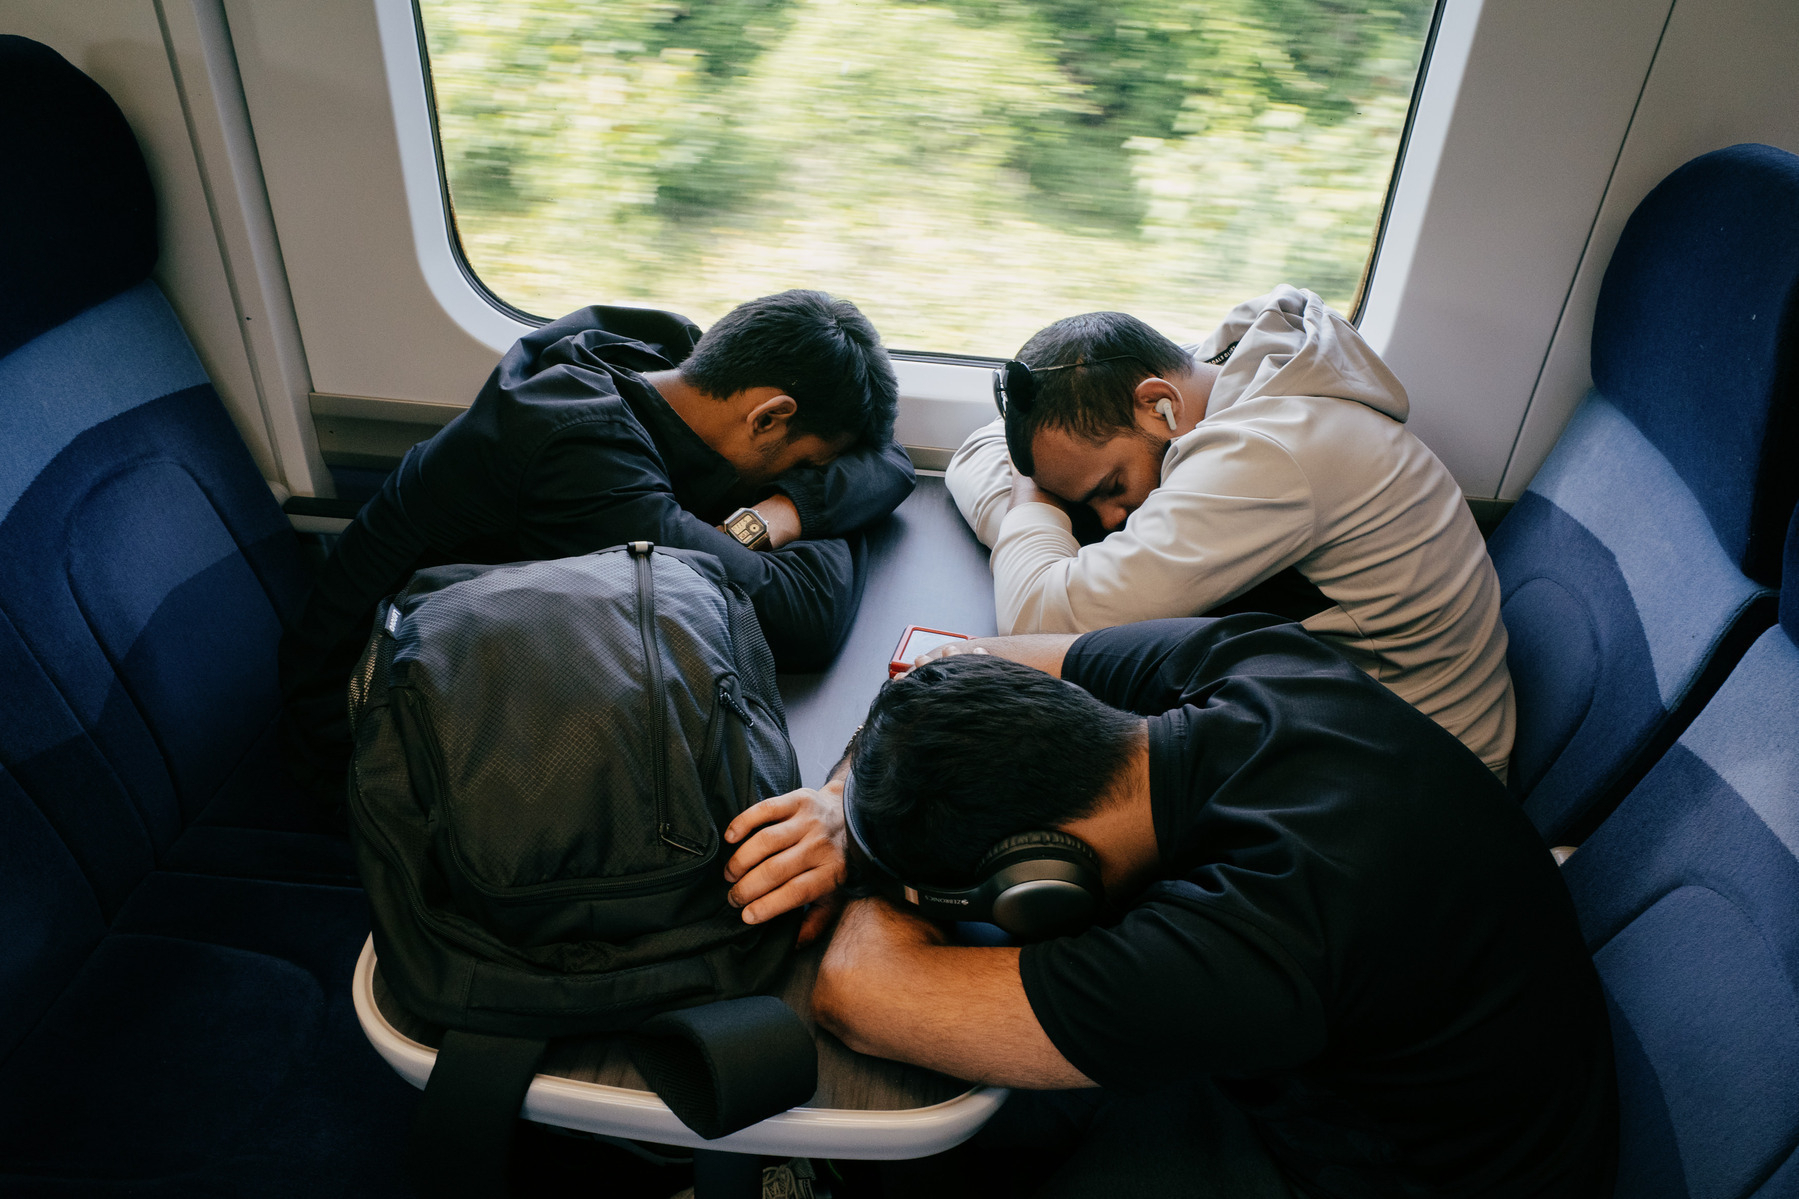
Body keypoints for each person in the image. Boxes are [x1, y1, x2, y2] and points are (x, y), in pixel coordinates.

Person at [727, 620, 1615, 1197]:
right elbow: (957, 661)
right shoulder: (1259, 666)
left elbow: (857, 992)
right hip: (1397, 1047)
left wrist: (882, 879)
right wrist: (841, 807)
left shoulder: (1246, 937)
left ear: (1041, 880)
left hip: (1424, 1173)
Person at [281, 289, 913, 804]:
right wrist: (825, 509)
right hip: (367, 724)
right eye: (800, 464)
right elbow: (801, 616)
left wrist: (785, 510)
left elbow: (890, 460)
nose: (796, 477)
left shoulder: (671, 358)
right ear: (768, 417)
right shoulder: (581, 454)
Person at [946, 285, 1514, 777]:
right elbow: (974, 452)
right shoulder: (1213, 377)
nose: (1111, 519)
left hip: (1419, 766)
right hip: (1343, 711)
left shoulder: (1264, 456)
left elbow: (1034, 620)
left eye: (1110, 487)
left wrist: (1032, 507)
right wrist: (1045, 508)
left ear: (1158, 404)